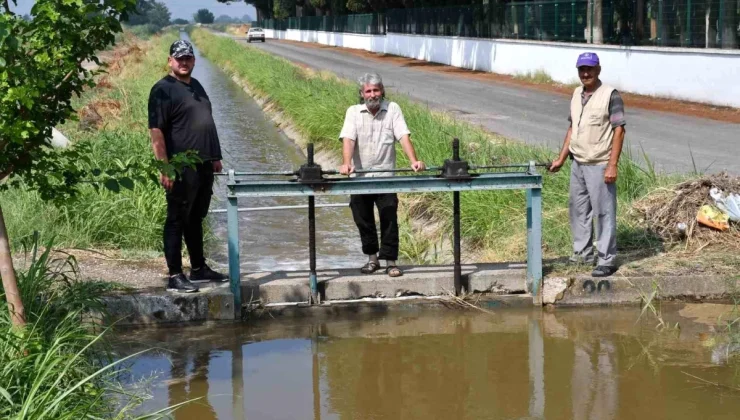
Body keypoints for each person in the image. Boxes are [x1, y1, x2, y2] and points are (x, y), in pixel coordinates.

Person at [148, 39, 228, 293]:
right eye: (179, 58)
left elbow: (207, 121)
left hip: (204, 164)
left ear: (193, 60)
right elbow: (156, 131)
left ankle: (198, 268)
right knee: (176, 219)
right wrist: (165, 167)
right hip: (181, 166)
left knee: (196, 218)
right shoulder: (163, 89)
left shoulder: (197, 86)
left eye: (188, 58)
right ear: (170, 60)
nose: (184, 62)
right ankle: (174, 274)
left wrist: (215, 156)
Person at [338, 73, 425, 278]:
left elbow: (403, 136)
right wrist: (346, 164)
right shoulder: (353, 112)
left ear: (382, 91)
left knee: (389, 217)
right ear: (362, 93)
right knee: (363, 219)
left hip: (386, 176)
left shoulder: (392, 109)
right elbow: (348, 140)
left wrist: (414, 160)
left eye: (376, 90)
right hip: (359, 179)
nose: (372, 94)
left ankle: (391, 262)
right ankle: (372, 259)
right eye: (368, 91)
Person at [549, 52, 626, 278]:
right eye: (582, 69)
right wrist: (561, 159)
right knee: (578, 210)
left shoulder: (610, 95)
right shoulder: (576, 94)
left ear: (598, 70)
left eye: (590, 69)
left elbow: (619, 130)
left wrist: (613, 165)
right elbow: (573, 128)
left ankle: (606, 259)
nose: (585, 73)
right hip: (578, 163)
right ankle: (582, 253)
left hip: (600, 163)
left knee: (603, 213)